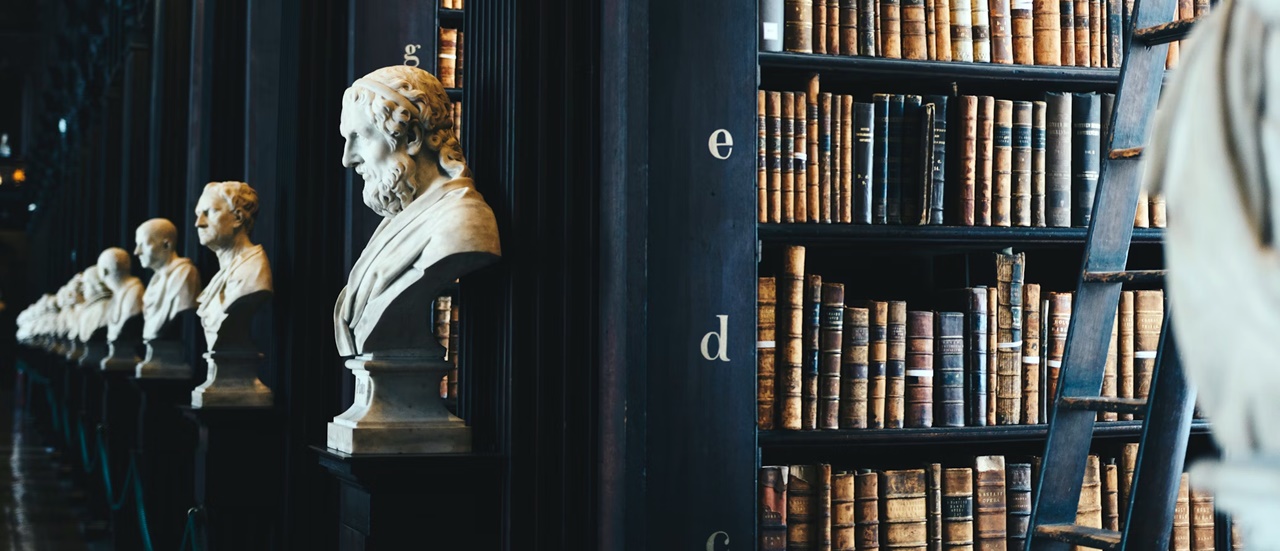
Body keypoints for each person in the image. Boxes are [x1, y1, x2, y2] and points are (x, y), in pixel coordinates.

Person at [333, 65, 500, 357]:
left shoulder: (463, 223)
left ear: (410, 136)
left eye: (360, 137)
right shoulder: (398, 220)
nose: (348, 159)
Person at [193, 181, 272, 350]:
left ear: (237, 217)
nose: (199, 223)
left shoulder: (253, 271)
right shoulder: (225, 273)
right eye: (198, 214)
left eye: (210, 212)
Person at [135, 218, 202, 340]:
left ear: (166, 245)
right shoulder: (154, 281)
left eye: (143, 245)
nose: (137, 252)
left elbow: (185, 305)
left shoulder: (185, 273)